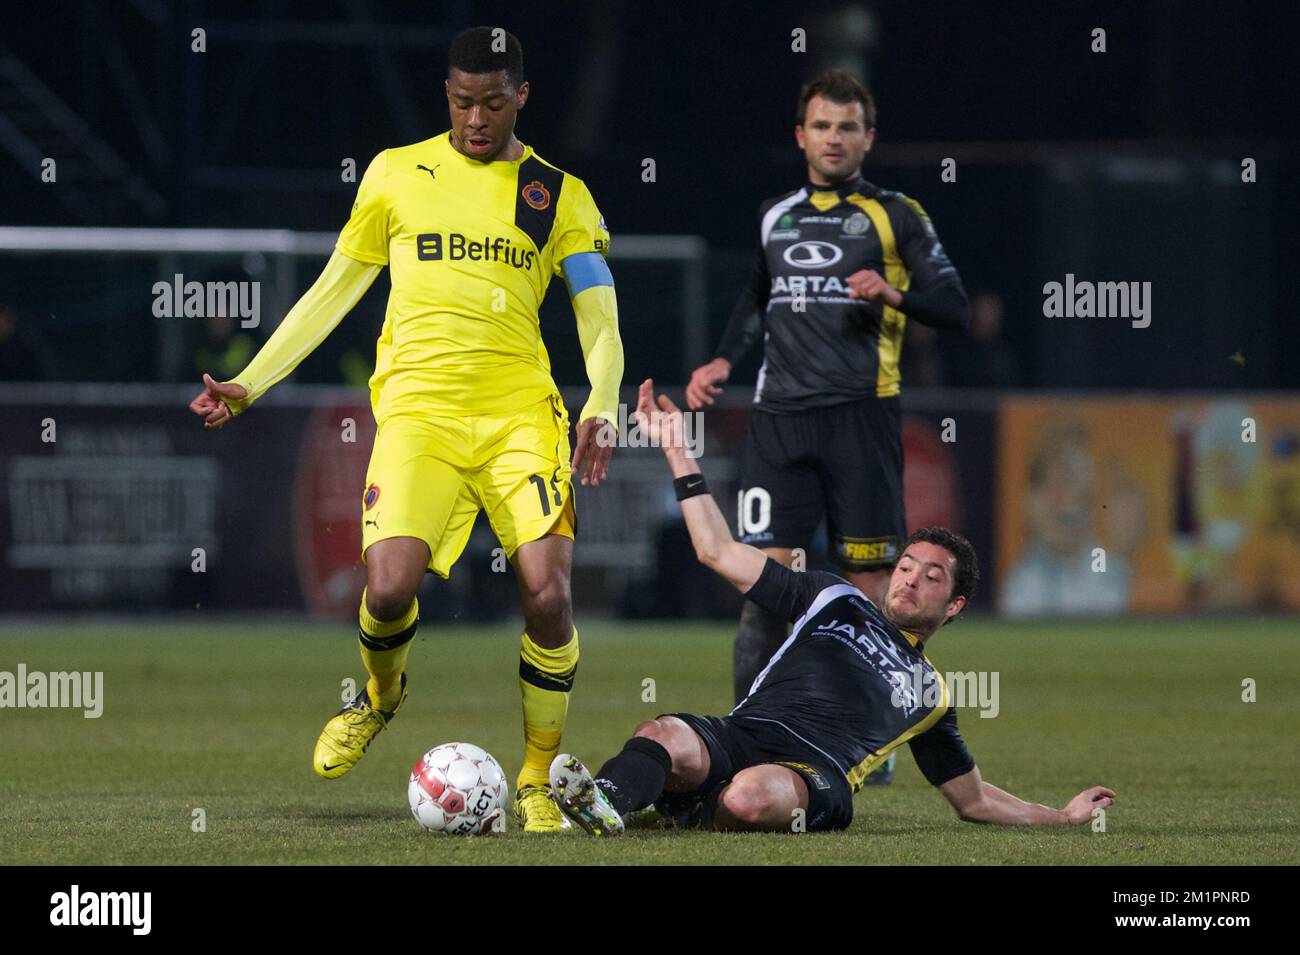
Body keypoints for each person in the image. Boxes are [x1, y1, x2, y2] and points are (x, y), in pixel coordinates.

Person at [187, 27, 623, 832]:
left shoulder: (558, 193)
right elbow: (332, 290)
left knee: (549, 594)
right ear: (445, 96)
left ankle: (533, 778)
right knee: (386, 588)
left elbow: (600, 317)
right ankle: (381, 699)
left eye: (493, 102)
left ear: (521, 97)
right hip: (419, 413)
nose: (476, 119)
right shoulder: (394, 174)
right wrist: (251, 381)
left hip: (520, 416)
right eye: (462, 102)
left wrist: (602, 400)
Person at [546, 380, 1115, 835]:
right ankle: (607, 804)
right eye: (907, 565)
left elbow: (973, 800)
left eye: (931, 576)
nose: (910, 580)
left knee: (749, 797)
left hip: (813, 775)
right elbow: (716, 551)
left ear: (955, 604)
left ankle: (685, 808)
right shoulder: (829, 595)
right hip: (746, 732)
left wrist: (1061, 816)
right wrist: (676, 446)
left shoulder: (931, 694)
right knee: (664, 731)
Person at [683, 72, 971, 784]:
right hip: (779, 421)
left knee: (871, 594)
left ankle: (862, 752)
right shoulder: (773, 214)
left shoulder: (896, 214)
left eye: (847, 127)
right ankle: (750, 731)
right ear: (801, 135)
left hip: (861, 419)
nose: (834, 138)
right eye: (821, 126)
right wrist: (723, 355)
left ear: (867, 138)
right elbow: (756, 293)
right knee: (764, 591)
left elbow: (954, 304)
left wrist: (894, 291)